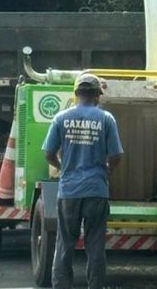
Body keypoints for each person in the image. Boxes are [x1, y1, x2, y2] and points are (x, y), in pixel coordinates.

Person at [42, 73, 124, 289]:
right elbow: (116, 156)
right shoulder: (106, 119)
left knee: (64, 244)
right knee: (95, 245)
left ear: (77, 94)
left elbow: (48, 153)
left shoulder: (61, 118)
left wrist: (63, 168)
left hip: (69, 191)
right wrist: (107, 170)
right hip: (97, 190)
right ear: (97, 95)